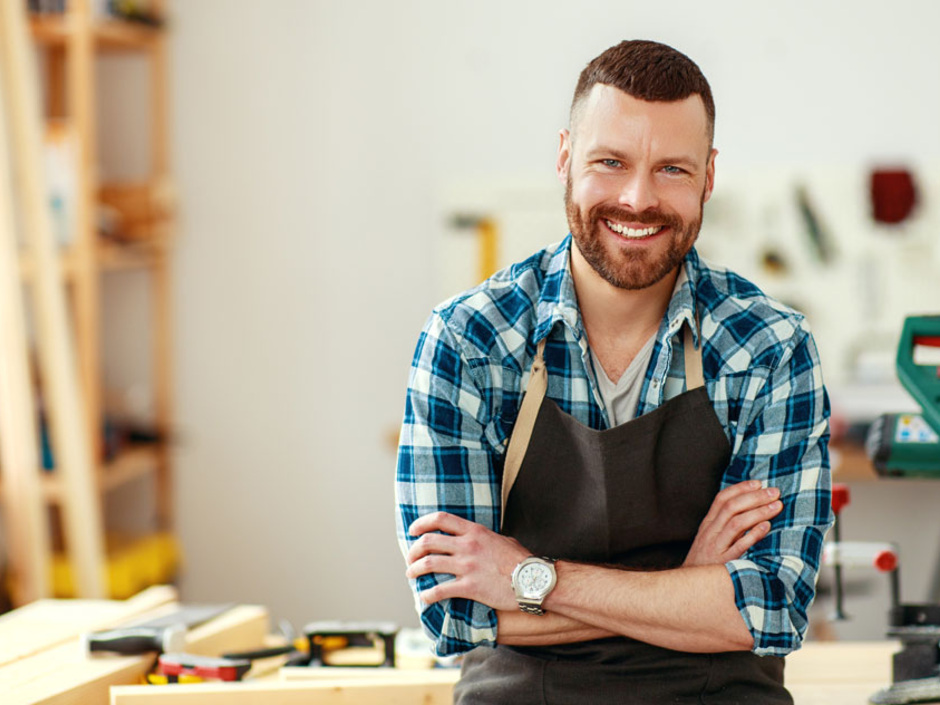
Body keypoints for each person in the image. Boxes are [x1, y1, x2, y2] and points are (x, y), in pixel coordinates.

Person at [395, 39, 832, 704]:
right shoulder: (469, 340)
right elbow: (457, 617)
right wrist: (689, 585)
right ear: (566, 157)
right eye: (611, 162)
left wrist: (528, 578)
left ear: (709, 176)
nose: (637, 198)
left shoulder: (769, 347)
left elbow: (768, 609)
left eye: (672, 170)